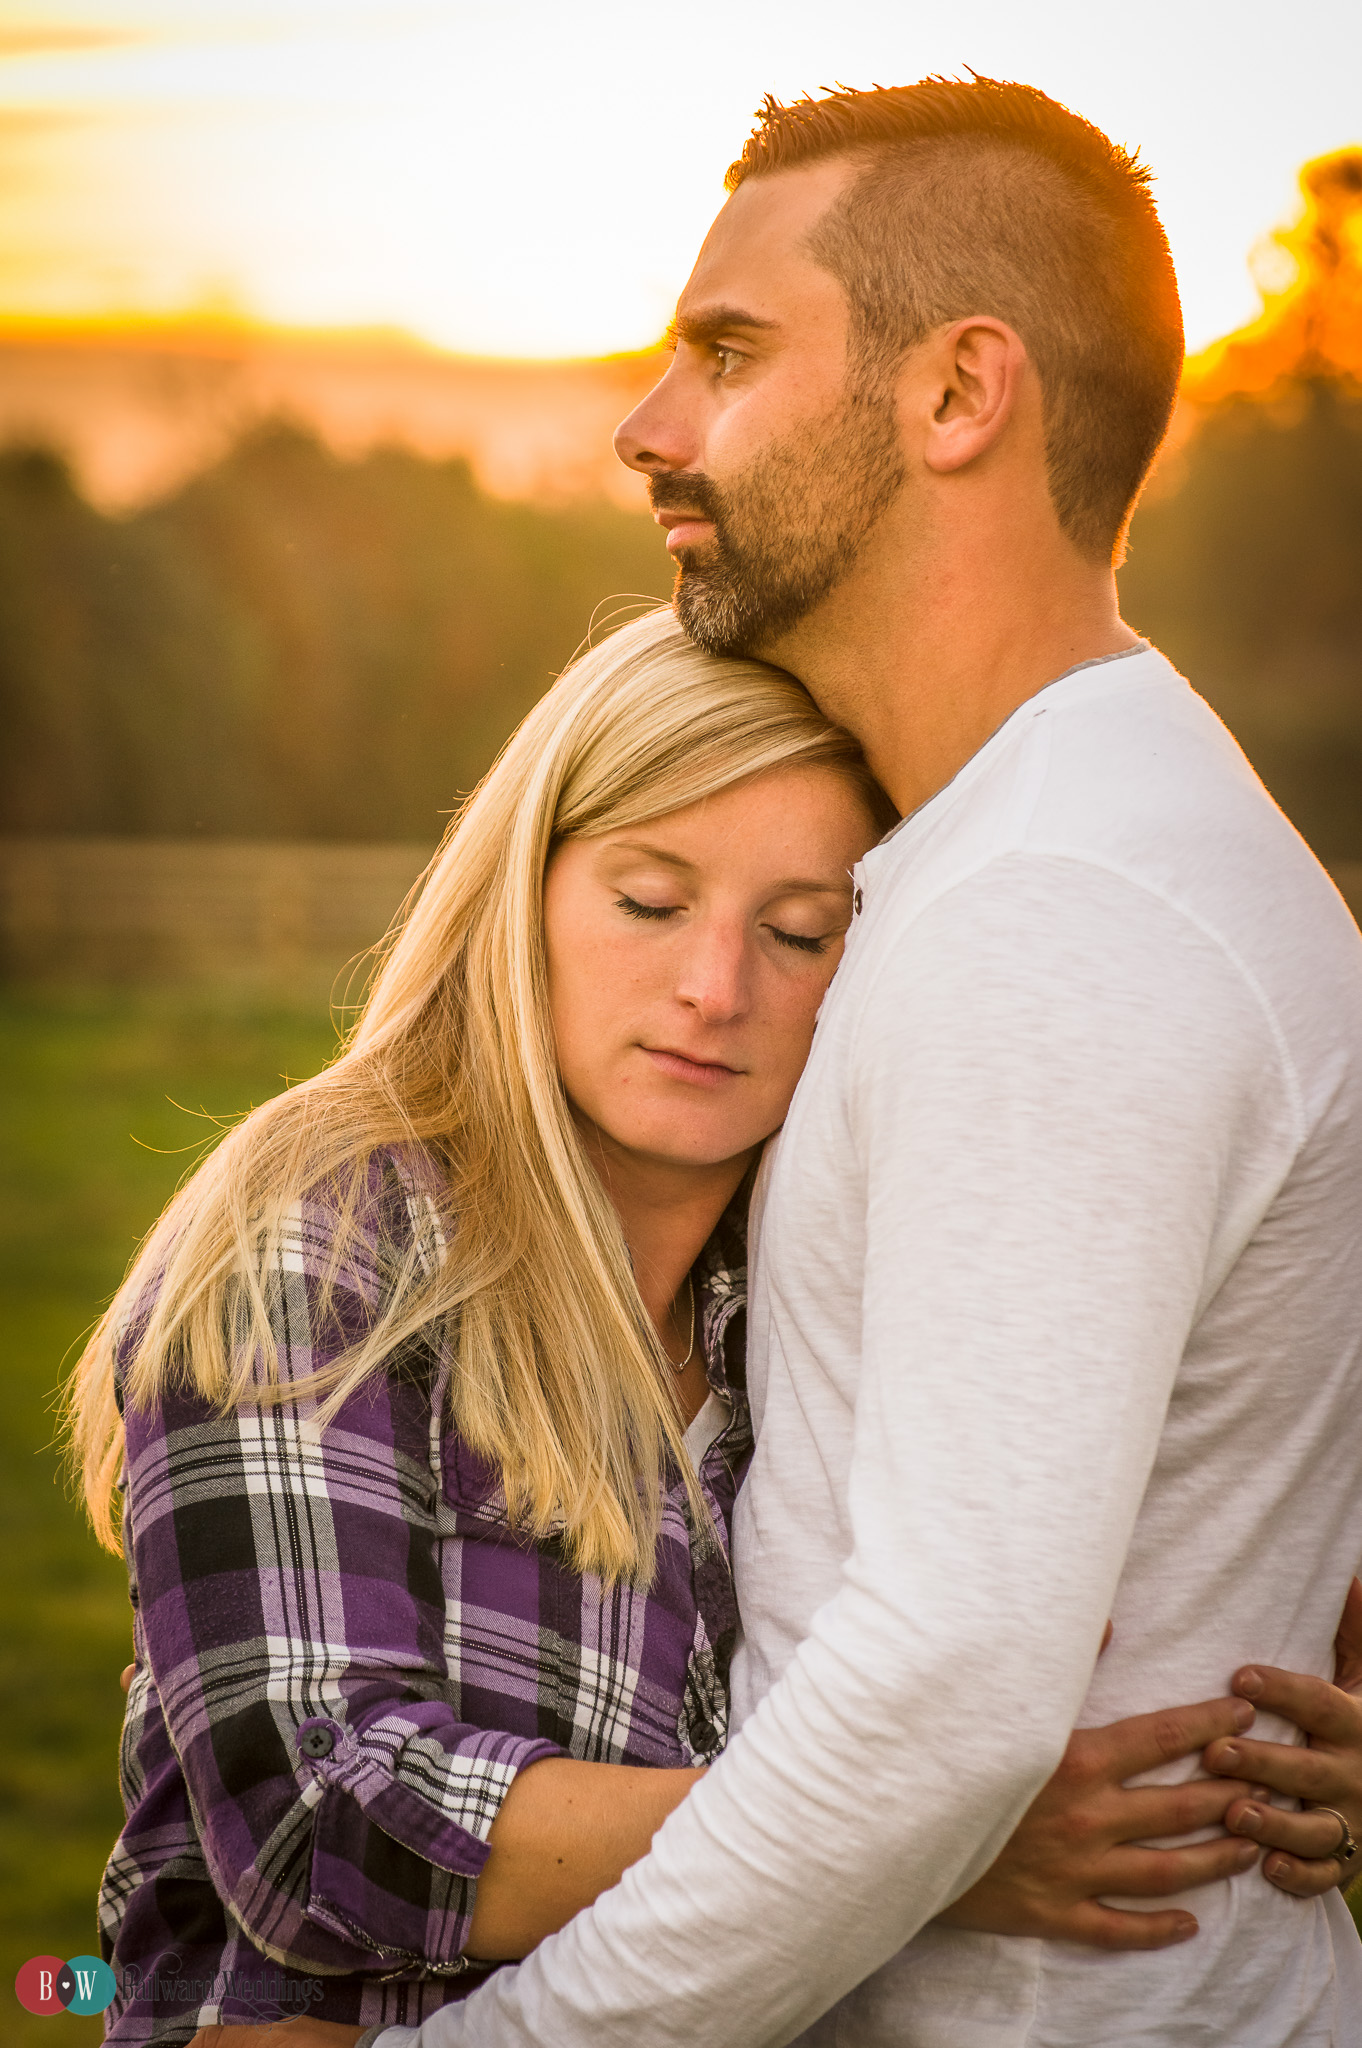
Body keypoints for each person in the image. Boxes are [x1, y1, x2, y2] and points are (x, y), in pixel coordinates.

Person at [356, 76, 1362, 2048]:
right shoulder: (1055, 848)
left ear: (958, 395)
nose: (647, 423)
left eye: (729, 351)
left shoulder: (1057, 907)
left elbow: (948, 1689)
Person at [75, 612, 1294, 2048]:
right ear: (520, 894)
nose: (716, 990)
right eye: (649, 903)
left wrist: (1271, 1744)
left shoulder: (818, 1309)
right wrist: (905, 1848)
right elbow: (312, 1816)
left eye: (799, 932)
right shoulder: (321, 1240)